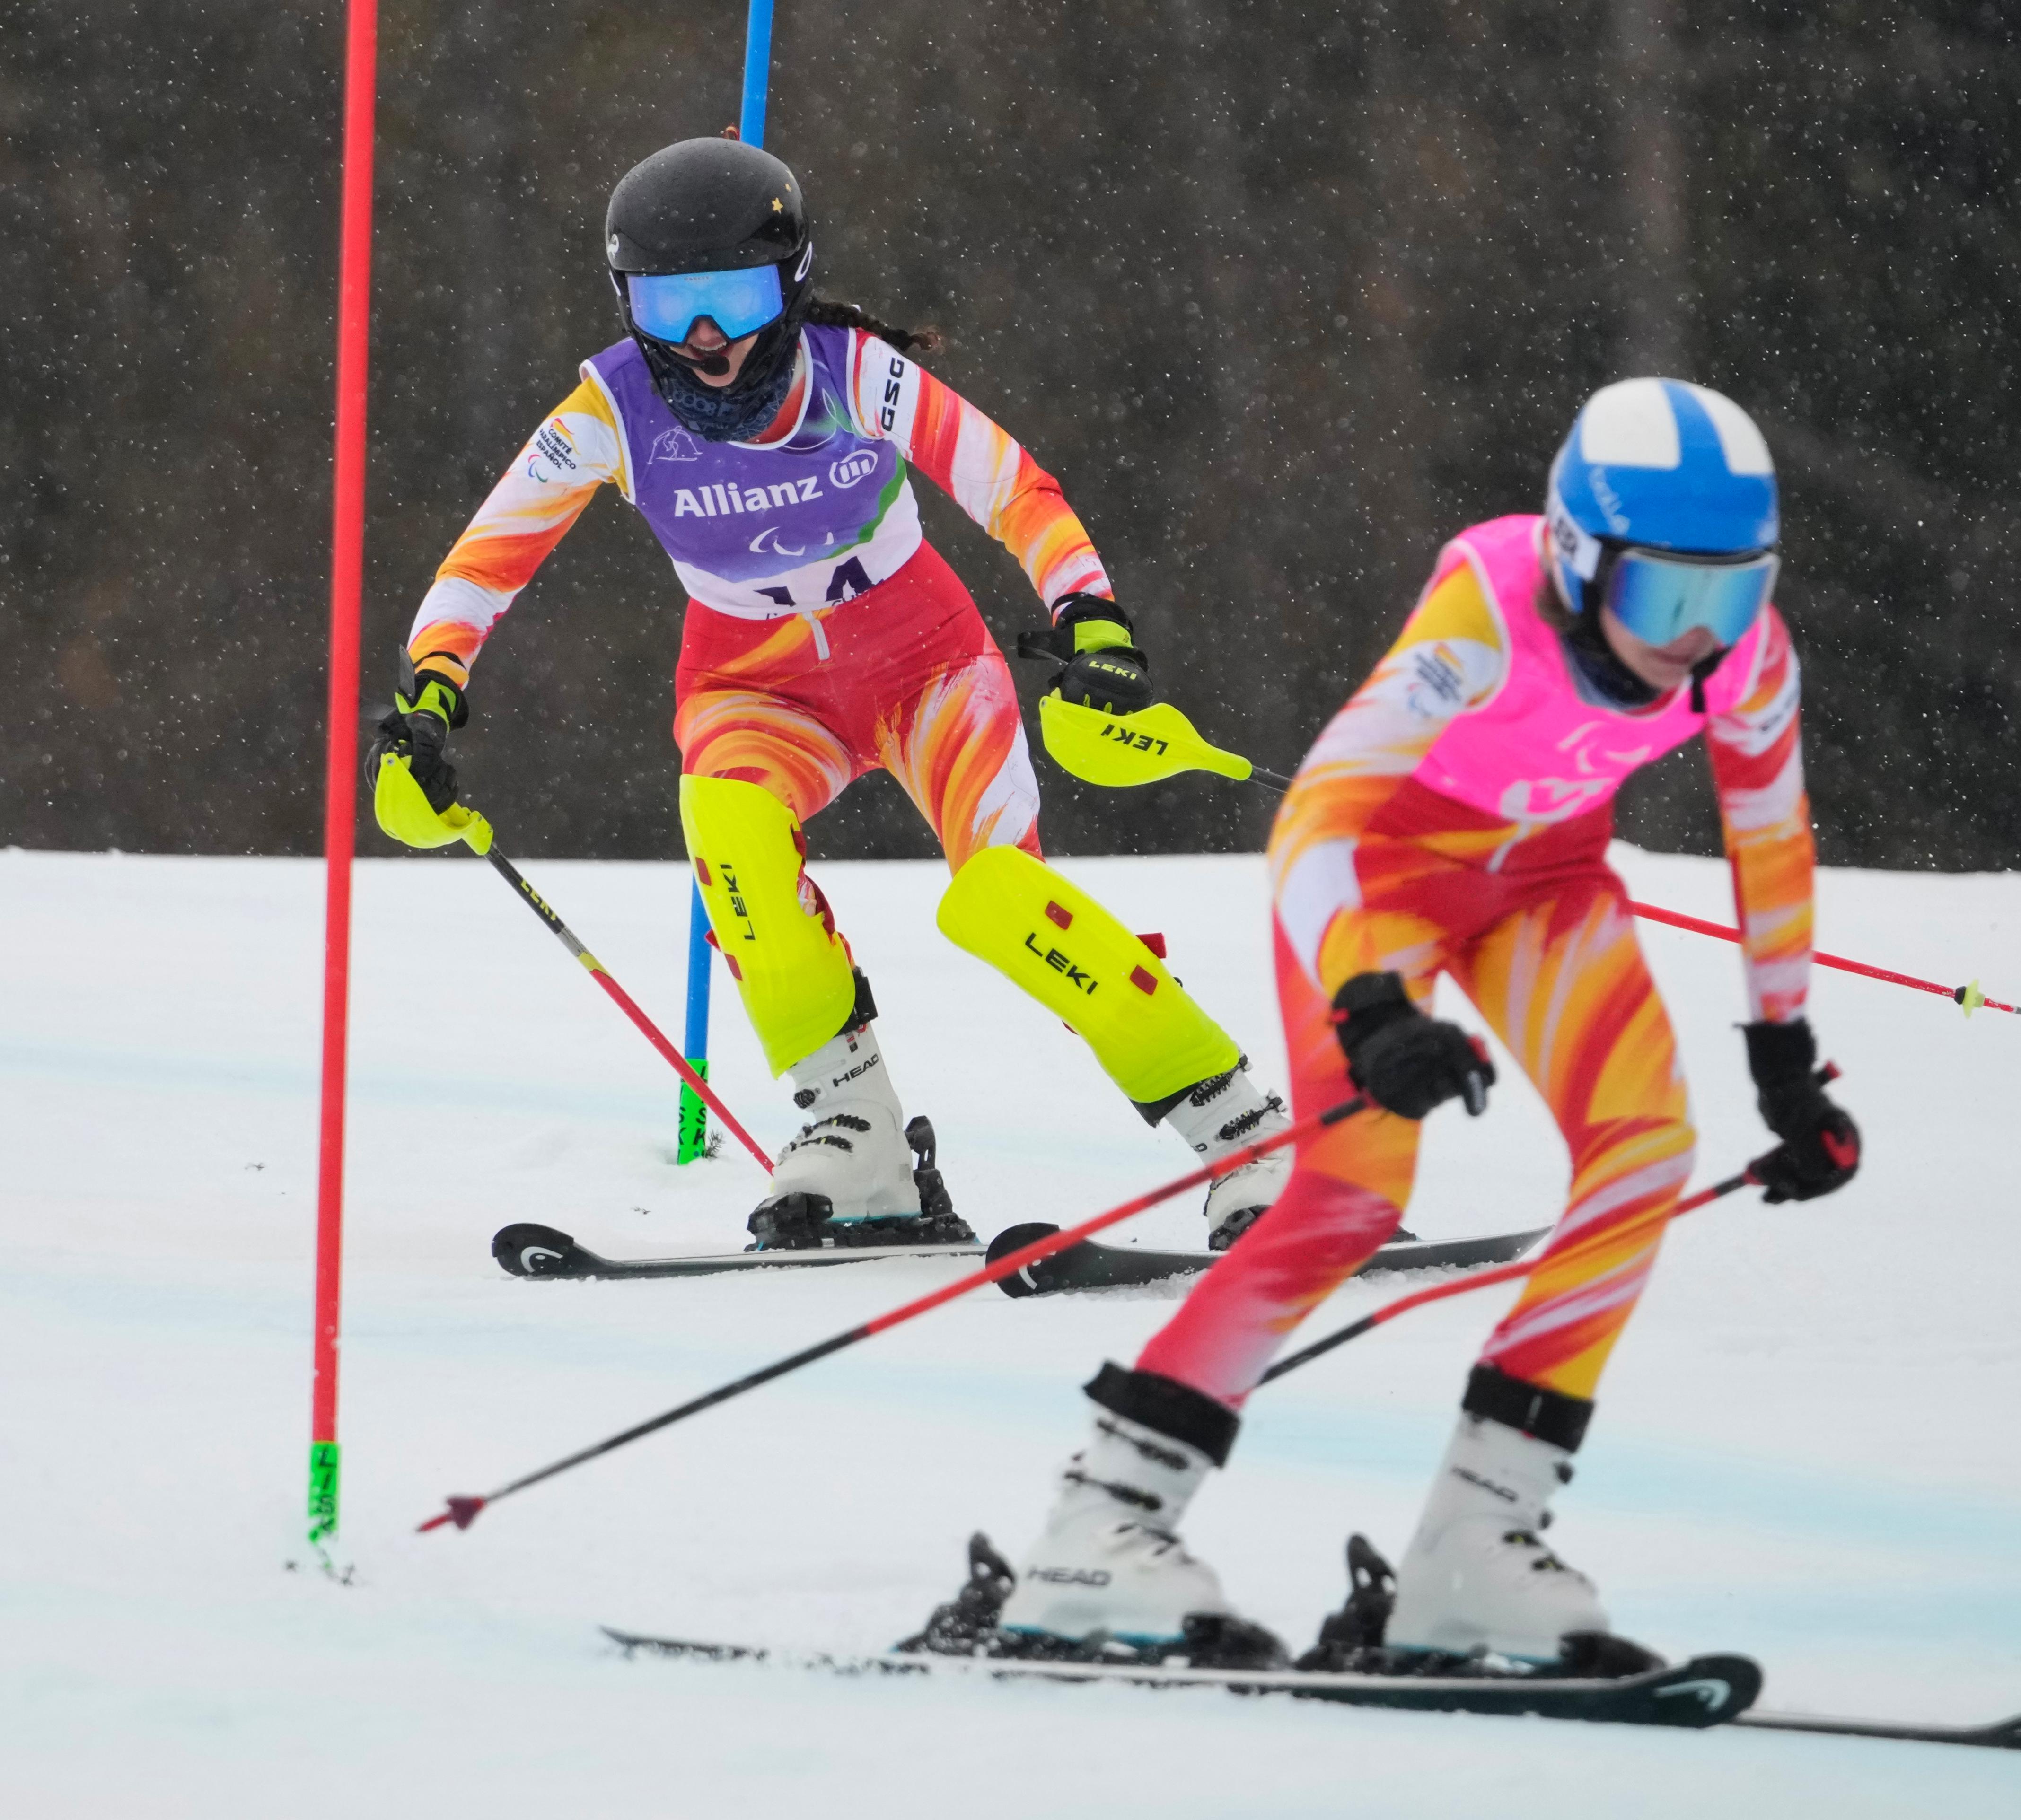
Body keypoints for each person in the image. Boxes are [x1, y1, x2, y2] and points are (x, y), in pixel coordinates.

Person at [930, 379, 1863, 1671]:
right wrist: (1371, 1005)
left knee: (1646, 1152)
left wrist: (1785, 1058)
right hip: (1373, 885)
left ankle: (1477, 1551)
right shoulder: (1485, 611)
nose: (1700, 642)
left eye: (1735, 596)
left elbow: (1769, 832)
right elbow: (1318, 816)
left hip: (1543, 884)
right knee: (1351, 1195)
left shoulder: (1748, 661)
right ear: (1583, 558)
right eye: (1667, 599)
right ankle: (1102, 1530)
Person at [365, 136, 1292, 1248]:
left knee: (1002, 899)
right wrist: (430, 693)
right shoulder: (609, 409)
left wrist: (1092, 623)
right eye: (670, 308)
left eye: (735, 298)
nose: (705, 339)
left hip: (925, 662)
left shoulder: (855, 373)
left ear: (792, 283)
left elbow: (1014, 489)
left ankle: (1247, 1135)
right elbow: (488, 557)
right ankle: (853, 1131)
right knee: (728, 832)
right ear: (627, 305)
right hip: (752, 683)